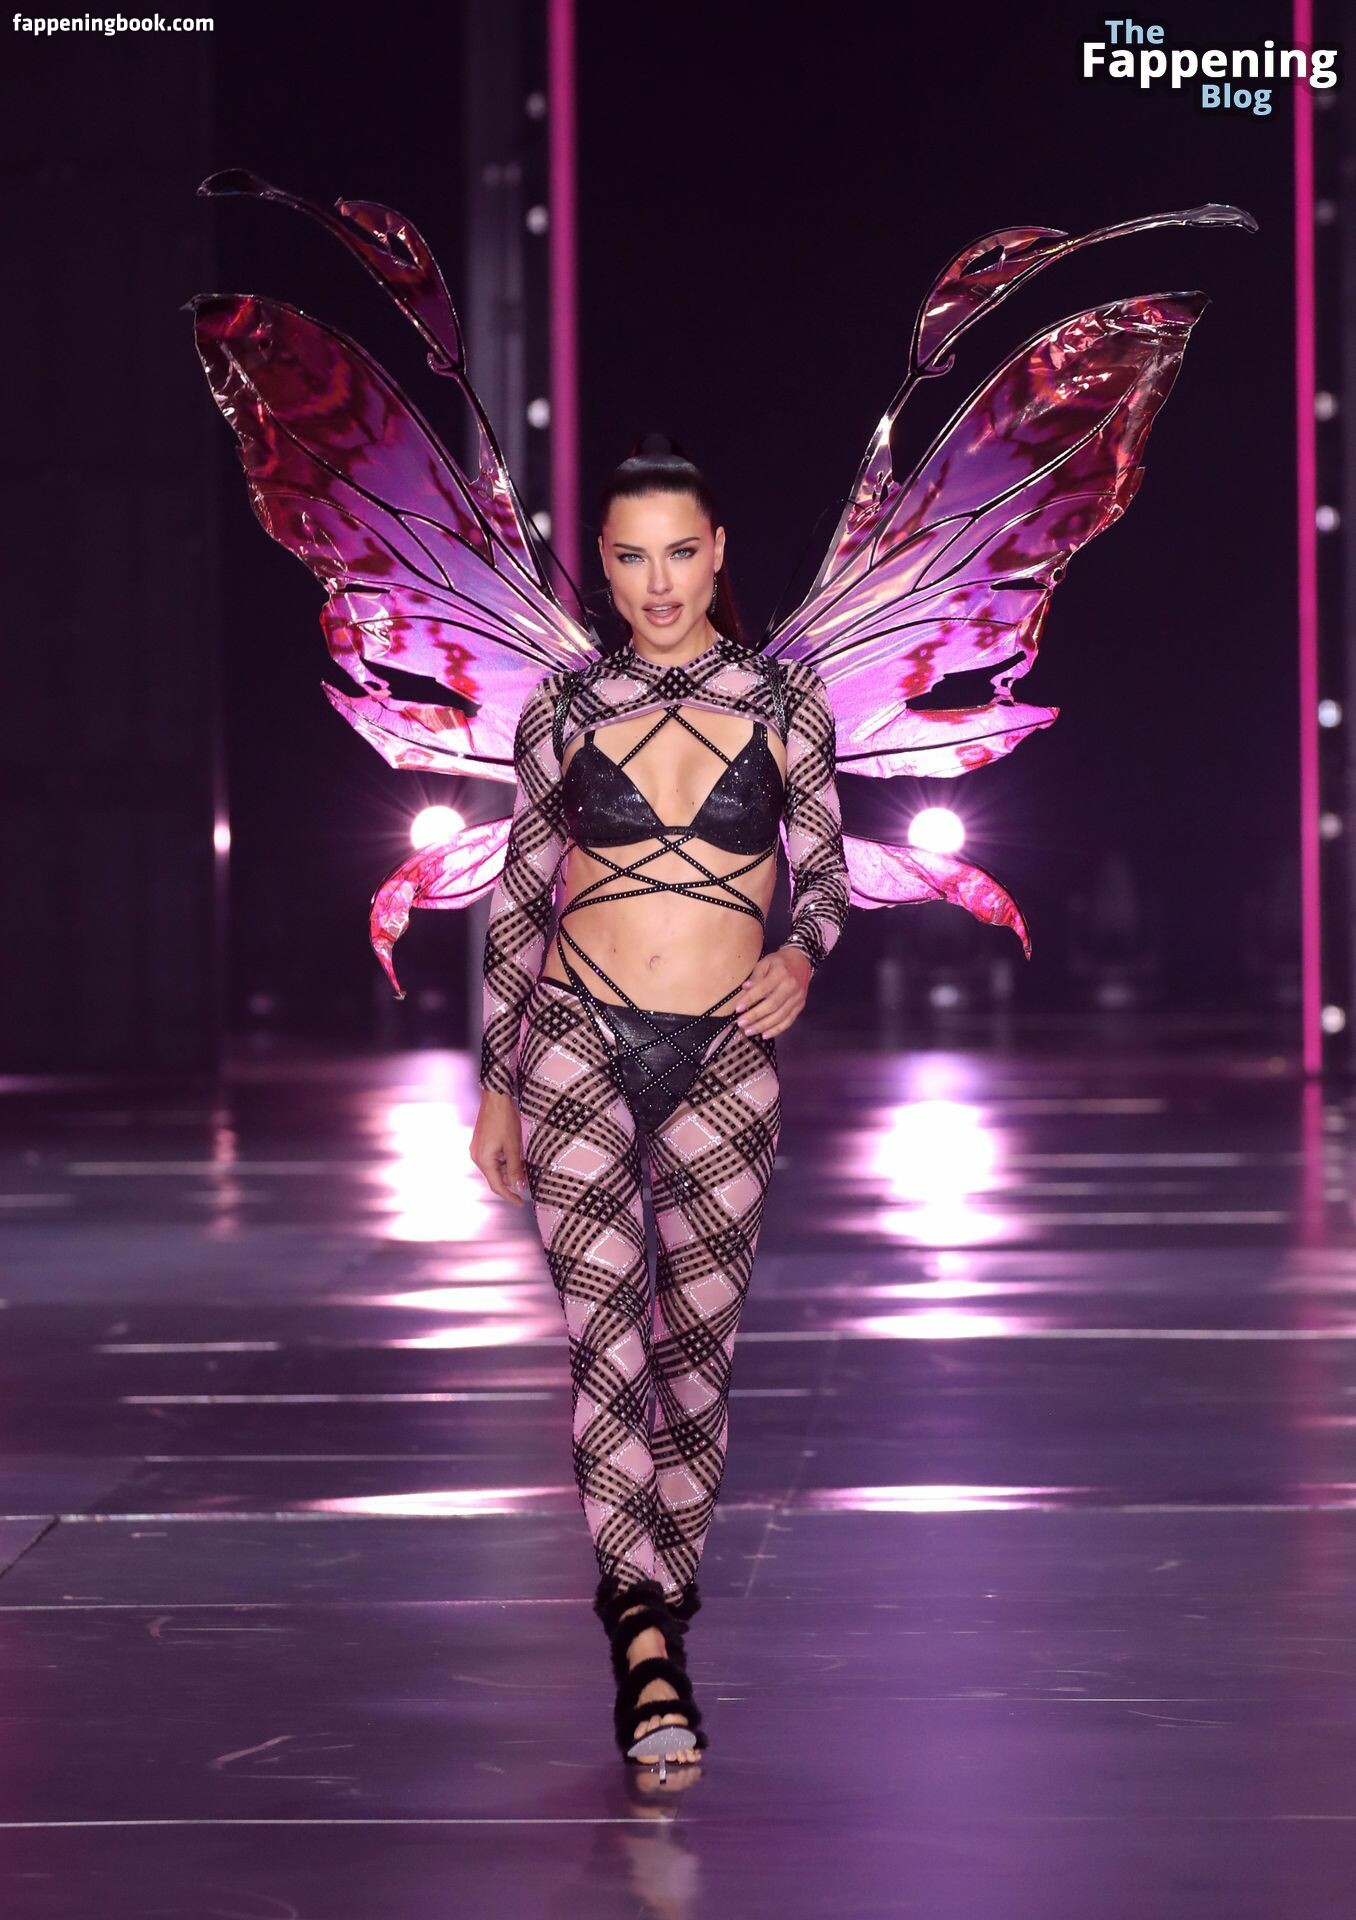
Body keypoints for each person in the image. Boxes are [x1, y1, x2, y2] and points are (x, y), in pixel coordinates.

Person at [470, 436, 851, 1770]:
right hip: (573, 1037)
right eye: (631, 556)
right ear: (606, 563)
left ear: (719, 551)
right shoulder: (562, 710)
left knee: (696, 1356)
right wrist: (496, 1081)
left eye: (681, 551)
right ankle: (640, 1640)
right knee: (605, 1347)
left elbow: (825, 877)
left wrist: (801, 955)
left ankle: (665, 1599)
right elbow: (520, 901)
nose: (659, 582)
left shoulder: (788, 702)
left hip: (729, 1050)